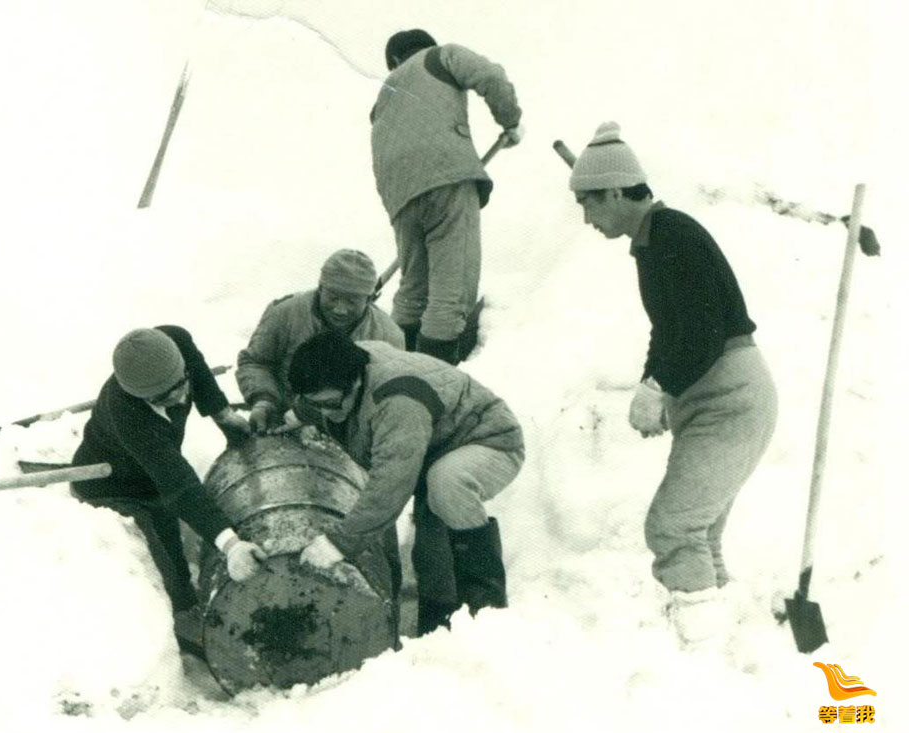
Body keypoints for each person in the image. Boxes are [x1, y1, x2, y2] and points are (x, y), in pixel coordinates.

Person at [568, 122, 778, 650]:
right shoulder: (654, 241)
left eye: (588, 203)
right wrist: (652, 384)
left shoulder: (671, 235)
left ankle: (701, 653)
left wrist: (661, 384)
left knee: (673, 528)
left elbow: (704, 329)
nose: (586, 218)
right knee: (698, 531)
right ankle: (725, 647)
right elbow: (671, 328)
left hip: (729, 399)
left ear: (616, 192)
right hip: (715, 397)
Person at [288, 330, 525, 631]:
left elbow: (390, 486)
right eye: (315, 404)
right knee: (431, 550)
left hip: (488, 439)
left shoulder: (398, 402)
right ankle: (436, 623)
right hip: (433, 446)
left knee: (446, 485)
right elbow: (322, 395)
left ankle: (485, 608)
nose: (325, 413)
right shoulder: (345, 361)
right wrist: (296, 414)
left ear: (355, 382)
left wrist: (339, 543)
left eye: (332, 404)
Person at [71, 325, 267, 652]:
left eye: (179, 386)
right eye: (163, 398)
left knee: (171, 535)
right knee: (164, 563)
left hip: (153, 476)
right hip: (112, 486)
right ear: (140, 395)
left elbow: (197, 370)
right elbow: (180, 485)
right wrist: (231, 545)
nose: (178, 398)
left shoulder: (172, 342)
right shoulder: (129, 416)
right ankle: (186, 629)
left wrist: (223, 414)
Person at [370, 29, 523, 365]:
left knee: (413, 289)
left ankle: (395, 369)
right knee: (451, 292)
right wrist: (510, 120)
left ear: (393, 61)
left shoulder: (383, 98)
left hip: (399, 197)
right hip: (447, 179)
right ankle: (433, 381)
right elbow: (491, 76)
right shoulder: (440, 56)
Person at [236, 249, 404, 434]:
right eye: (333, 298)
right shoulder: (285, 313)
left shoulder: (388, 335)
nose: (340, 310)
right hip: (281, 417)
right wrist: (264, 401)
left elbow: (388, 396)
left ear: (370, 299)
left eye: (352, 302)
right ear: (320, 288)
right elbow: (255, 361)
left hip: (346, 428)